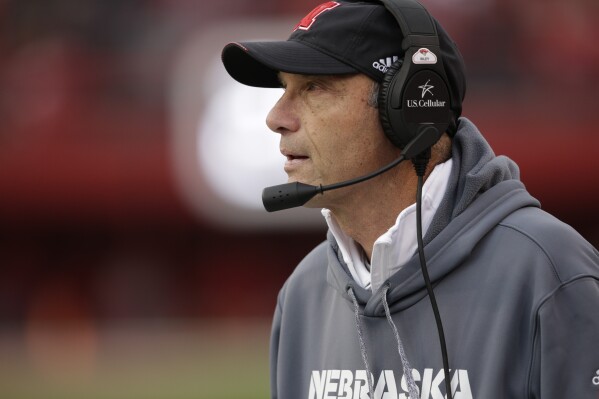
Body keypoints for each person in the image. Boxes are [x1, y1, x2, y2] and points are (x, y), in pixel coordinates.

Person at [221, 1, 599, 398]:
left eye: (315, 88)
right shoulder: (303, 294)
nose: (276, 117)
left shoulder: (549, 272)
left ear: (410, 108)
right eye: (285, 88)